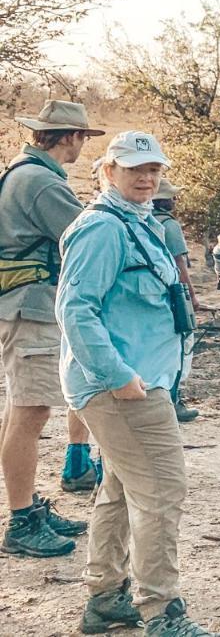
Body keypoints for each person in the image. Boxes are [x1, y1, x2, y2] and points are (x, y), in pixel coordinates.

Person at [57, 131, 220, 637]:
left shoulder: (138, 223)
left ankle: (105, 598)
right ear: (108, 172)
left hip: (141, 381)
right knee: (161, 490)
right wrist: (119, 377)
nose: (146, 178)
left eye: (152, 169)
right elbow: (75, 309)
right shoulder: (103, 229)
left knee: (121, 488)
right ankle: (161, 612)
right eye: (134, 169)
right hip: (124, 388)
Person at [0, 100, 103, 558]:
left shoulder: (24, 173)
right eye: (82, 136)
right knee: (30, 411)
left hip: (25, 306)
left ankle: (28, 507)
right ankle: (21, 520)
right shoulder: (42, 182)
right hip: (31, 308)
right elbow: (83, 237)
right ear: (71, 137)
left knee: (22, 410)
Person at [151, 178, 199, 422]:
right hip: (174, 293)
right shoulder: (169, 225)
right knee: (181, 347)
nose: (175, 200)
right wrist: (191, 296)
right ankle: (174, 400)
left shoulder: (143, 221)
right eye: (171, 196)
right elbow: (180, 264)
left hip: (152, 294)